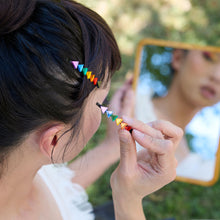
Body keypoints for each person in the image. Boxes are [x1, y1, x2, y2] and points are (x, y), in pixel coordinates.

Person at [0, 0, 183, 219]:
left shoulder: (17, 156)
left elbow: (59, 190)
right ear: (54, 140)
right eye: (100, 103)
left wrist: (111, 147)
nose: (106, 110)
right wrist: (128, 200)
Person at [135, 49, 220, 180]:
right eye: (209, 57)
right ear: (178, 58)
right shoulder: (128, 106)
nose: (218, 76)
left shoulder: (202, 170)